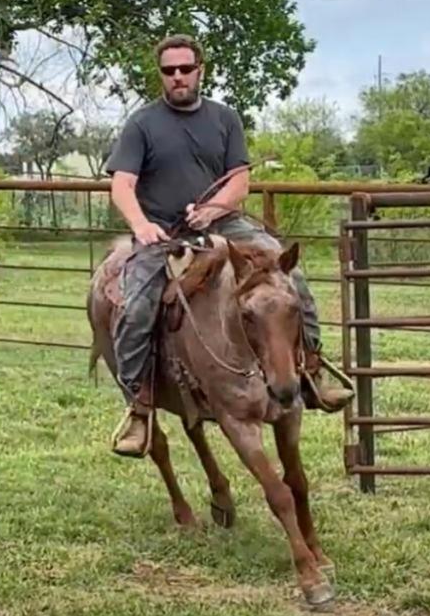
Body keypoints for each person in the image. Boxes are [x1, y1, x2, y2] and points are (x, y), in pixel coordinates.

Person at [103, 33, 353, 458]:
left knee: (292, 281)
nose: (178, 77)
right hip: (164, 232)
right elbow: (121, 184)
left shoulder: (224, 119)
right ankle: (140, 407)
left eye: (185, 68)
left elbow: (240, 180)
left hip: (226, 223)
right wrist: (141, 225)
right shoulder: (142, 123)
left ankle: (311, 372)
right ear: (161, 75)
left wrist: (215, 208)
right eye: (169, 71)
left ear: (200, 70)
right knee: (135, 305)